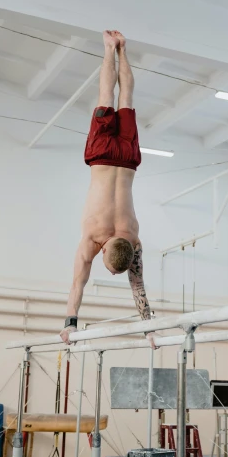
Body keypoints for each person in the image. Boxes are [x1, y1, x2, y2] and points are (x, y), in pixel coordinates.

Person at [60, 30, 155, 348]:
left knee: (124, 99)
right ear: (103, 249)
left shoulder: (133, 238)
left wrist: (150, 329)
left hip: (128, 160)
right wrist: (69, 324)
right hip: (100, 156)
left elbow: (137, 287)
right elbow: (78, 283)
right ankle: (108, 49)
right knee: (107, 96)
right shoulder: (92, 239)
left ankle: (121, 48)